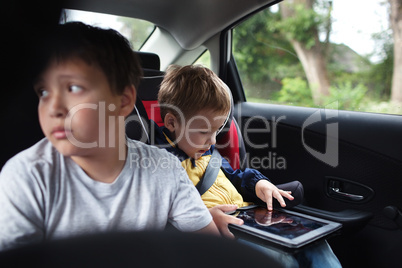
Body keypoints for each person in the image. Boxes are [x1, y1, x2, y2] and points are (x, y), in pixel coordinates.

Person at [0, 22, 219, 252]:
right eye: (43, 92)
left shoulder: (165, 170)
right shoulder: (27, 178)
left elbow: (212, 254)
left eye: (73, 88)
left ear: (123, 101)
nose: (53, 107)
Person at [152, 65, 342, 267]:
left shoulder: (207, 152)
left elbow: (237, 176)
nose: (214, 141)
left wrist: (259, 184)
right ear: (171, 123)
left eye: (217, 130)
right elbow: (158, 212)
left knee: (314, 242)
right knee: (281, 260)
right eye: (204, 132)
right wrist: (202, 220)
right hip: (218, 230)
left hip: (248, 218)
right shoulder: (159, 159)